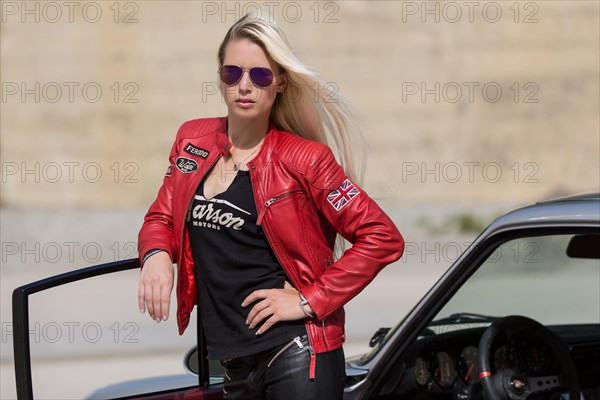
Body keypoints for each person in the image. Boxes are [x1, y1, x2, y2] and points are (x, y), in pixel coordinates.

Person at [137, 10, 404, 400]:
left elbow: (382, 237)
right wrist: (157, 254)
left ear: (279, 82)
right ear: (220, 76)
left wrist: (308, 300)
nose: (244, 86)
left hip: (296, 355)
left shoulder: (306, 159)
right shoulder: (191, 140)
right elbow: (162, 215)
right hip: (232, 362)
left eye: (259, 75)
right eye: (233, 73)